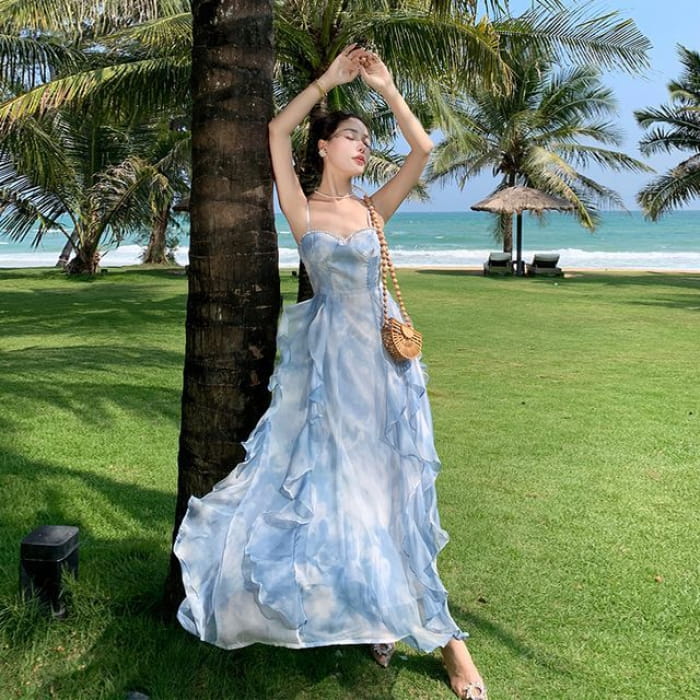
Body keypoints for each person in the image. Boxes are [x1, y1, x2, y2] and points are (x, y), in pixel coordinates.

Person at [173, 45, 487, 700]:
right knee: (344, 496)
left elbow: (423, 148)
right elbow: (274, 130)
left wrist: (387, 87)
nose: (364, 146)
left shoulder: (374, 210)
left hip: (384, 373)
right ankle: (379, 615)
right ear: (323, 147)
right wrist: (330, 80)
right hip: (326, 376)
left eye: (367, 139)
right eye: (351, 136)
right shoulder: (302, 210)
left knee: (395, 496)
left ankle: (449, 644)